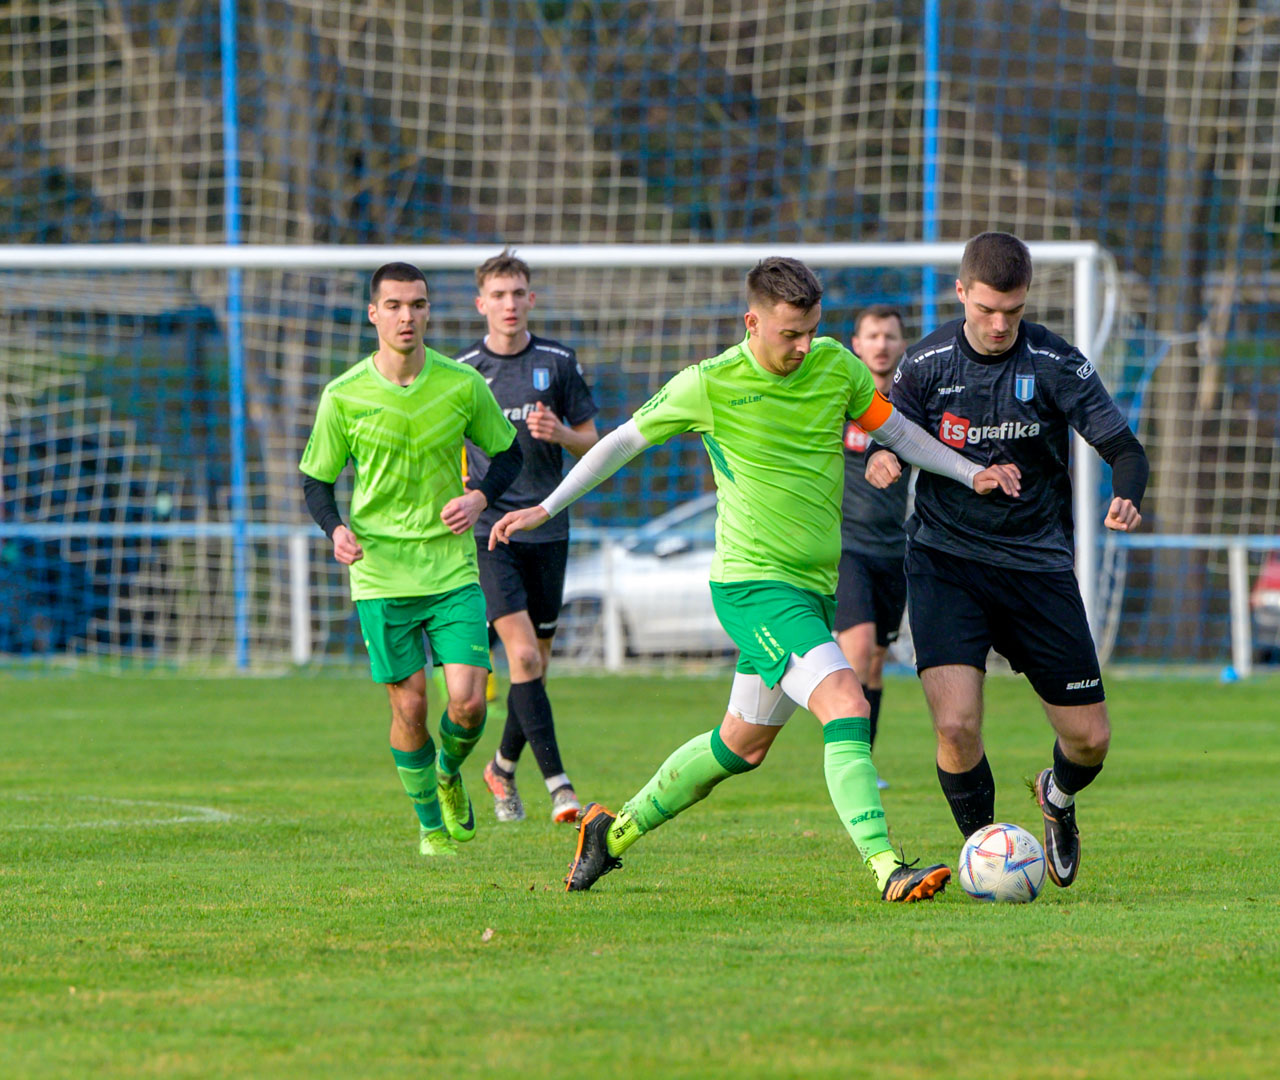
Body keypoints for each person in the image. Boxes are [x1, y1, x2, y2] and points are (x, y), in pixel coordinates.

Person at [489, 257, 1022, 902]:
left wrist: (970, 471)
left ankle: (611, 832)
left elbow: (901, 433)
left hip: (811, 590)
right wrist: (546, 508)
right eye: (789, 334)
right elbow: (621, 443)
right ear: (752, 322)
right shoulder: (708, 383)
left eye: (812, 330)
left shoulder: (836, 366)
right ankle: (887, 869)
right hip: (753, 587)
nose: (803, 346)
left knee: (739, 746)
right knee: (847, 703)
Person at [865, 232, 1148, 889]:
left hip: (1036, 565)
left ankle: (1057, 797)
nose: (999, 325)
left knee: (1090, 741)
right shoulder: (925, 363)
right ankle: (988, 853)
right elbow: (889, 430)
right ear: (961, 292)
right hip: (945, 561)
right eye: (986, 309)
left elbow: (1124, 448)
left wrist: (1127, 494)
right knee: (956, 724)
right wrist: (881, 457)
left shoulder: (1055, 361)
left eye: (1012, 311)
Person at [300, 263, 523, 857]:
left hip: (450, 568)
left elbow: (508, 454)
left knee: (469, 702)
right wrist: (335, 530)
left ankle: (449, 773)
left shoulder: (461, 384)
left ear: (428, 312)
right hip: (380, 573)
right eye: (395, 306)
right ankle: (430, 826)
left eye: (418, 305)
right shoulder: (343, 394)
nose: (407, 317)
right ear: (373, 314)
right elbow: (316, 481)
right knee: (412, 705)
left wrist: (480, 497)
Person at [456, 250, 600, 826]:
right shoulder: (465, 372)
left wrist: (560, 433)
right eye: (498, 295)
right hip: (493, 532)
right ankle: (560, 787)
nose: (509, 304)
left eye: (518, 293)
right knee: (519, 656)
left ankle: (501, 767)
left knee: (534, 666)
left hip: (548, 526)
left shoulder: (557, 362)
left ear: (531, 299)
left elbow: (594, 443)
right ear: (481, 304)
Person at [834, 305, 910, 789]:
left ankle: (865, 759)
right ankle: (848, 763)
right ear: (857, 345)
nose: (881, 344)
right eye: (872, 336)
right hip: (847, 548)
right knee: (858, 651)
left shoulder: (911, 405)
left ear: (901, 345)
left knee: (877, 661)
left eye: (890, 336)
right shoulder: (840, 401)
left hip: (895, 550)